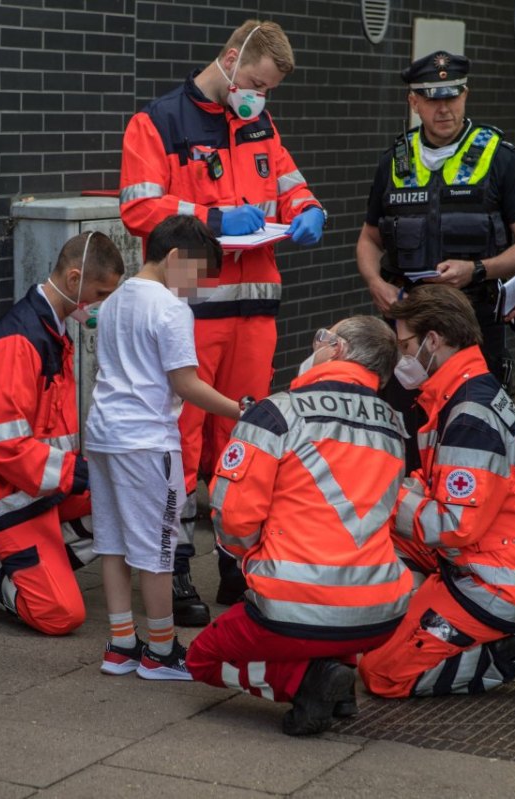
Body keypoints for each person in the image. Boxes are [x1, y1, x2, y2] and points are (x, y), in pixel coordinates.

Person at [120, 19, 327, 626]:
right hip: (189, 310)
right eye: (256, 83)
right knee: (180, 445)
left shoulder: (259, 122)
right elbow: (139, 206)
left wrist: (310, 210)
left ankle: (236, 560)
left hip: (254, 312)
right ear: (232, 59)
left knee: (245, 438)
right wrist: (214, 218)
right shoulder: (157, 122)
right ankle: (177, 565)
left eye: (267, 90)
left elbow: (290, 184)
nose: (259, 97)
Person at [186, 315, 413, 736]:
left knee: (202, 658)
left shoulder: (276, 413)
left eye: (322, 338)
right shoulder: (395, 427)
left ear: (338, 350)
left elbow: (233, 518)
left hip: (292, 603)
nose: (317, 345)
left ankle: (305, 682)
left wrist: (252, 560)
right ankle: (338, 680)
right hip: (381, 612)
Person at [358, 285, 515, 701]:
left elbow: (452, 525)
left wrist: (385, 491)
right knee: (375, 535)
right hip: (501, 553)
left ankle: (513, 646)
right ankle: (429, 619)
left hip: (497, 576)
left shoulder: (467, 414)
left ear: (433, 340)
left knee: (383, 675)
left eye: (404, 344)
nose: (400, 356)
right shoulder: (463, 390)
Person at [355, 51, 515, 475]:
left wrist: (480, 269)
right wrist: (375, 282)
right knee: (401, 426)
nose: (444, 107)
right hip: (406, 325)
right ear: (413, 102)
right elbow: (368, 240)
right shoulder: (395, 161)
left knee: (471, 425)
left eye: (453, 96)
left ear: (465, 95)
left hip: (473, 322)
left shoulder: (499, 156)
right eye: (431, 98)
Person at [0, 233, 123, 635]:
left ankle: (37, 564)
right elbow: (6, 446)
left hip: (37, 489)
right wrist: (78, 474)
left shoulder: (51, 332)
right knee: (60, 615)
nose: (103, 303)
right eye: (101, 292)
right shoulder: (19, 341)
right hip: (3, 497)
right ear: (73, 280)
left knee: (122, 505)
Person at [86, 217, 242, 682]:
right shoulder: (171, 309)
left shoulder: (114, 301)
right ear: (176, 259)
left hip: (104, 434)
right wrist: (242, 410)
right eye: (197, 275)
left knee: (112, 544)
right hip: (148, 441)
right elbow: (186, 384)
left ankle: (120, 644)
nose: (197, 288)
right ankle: (160, 650)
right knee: (158, 548)